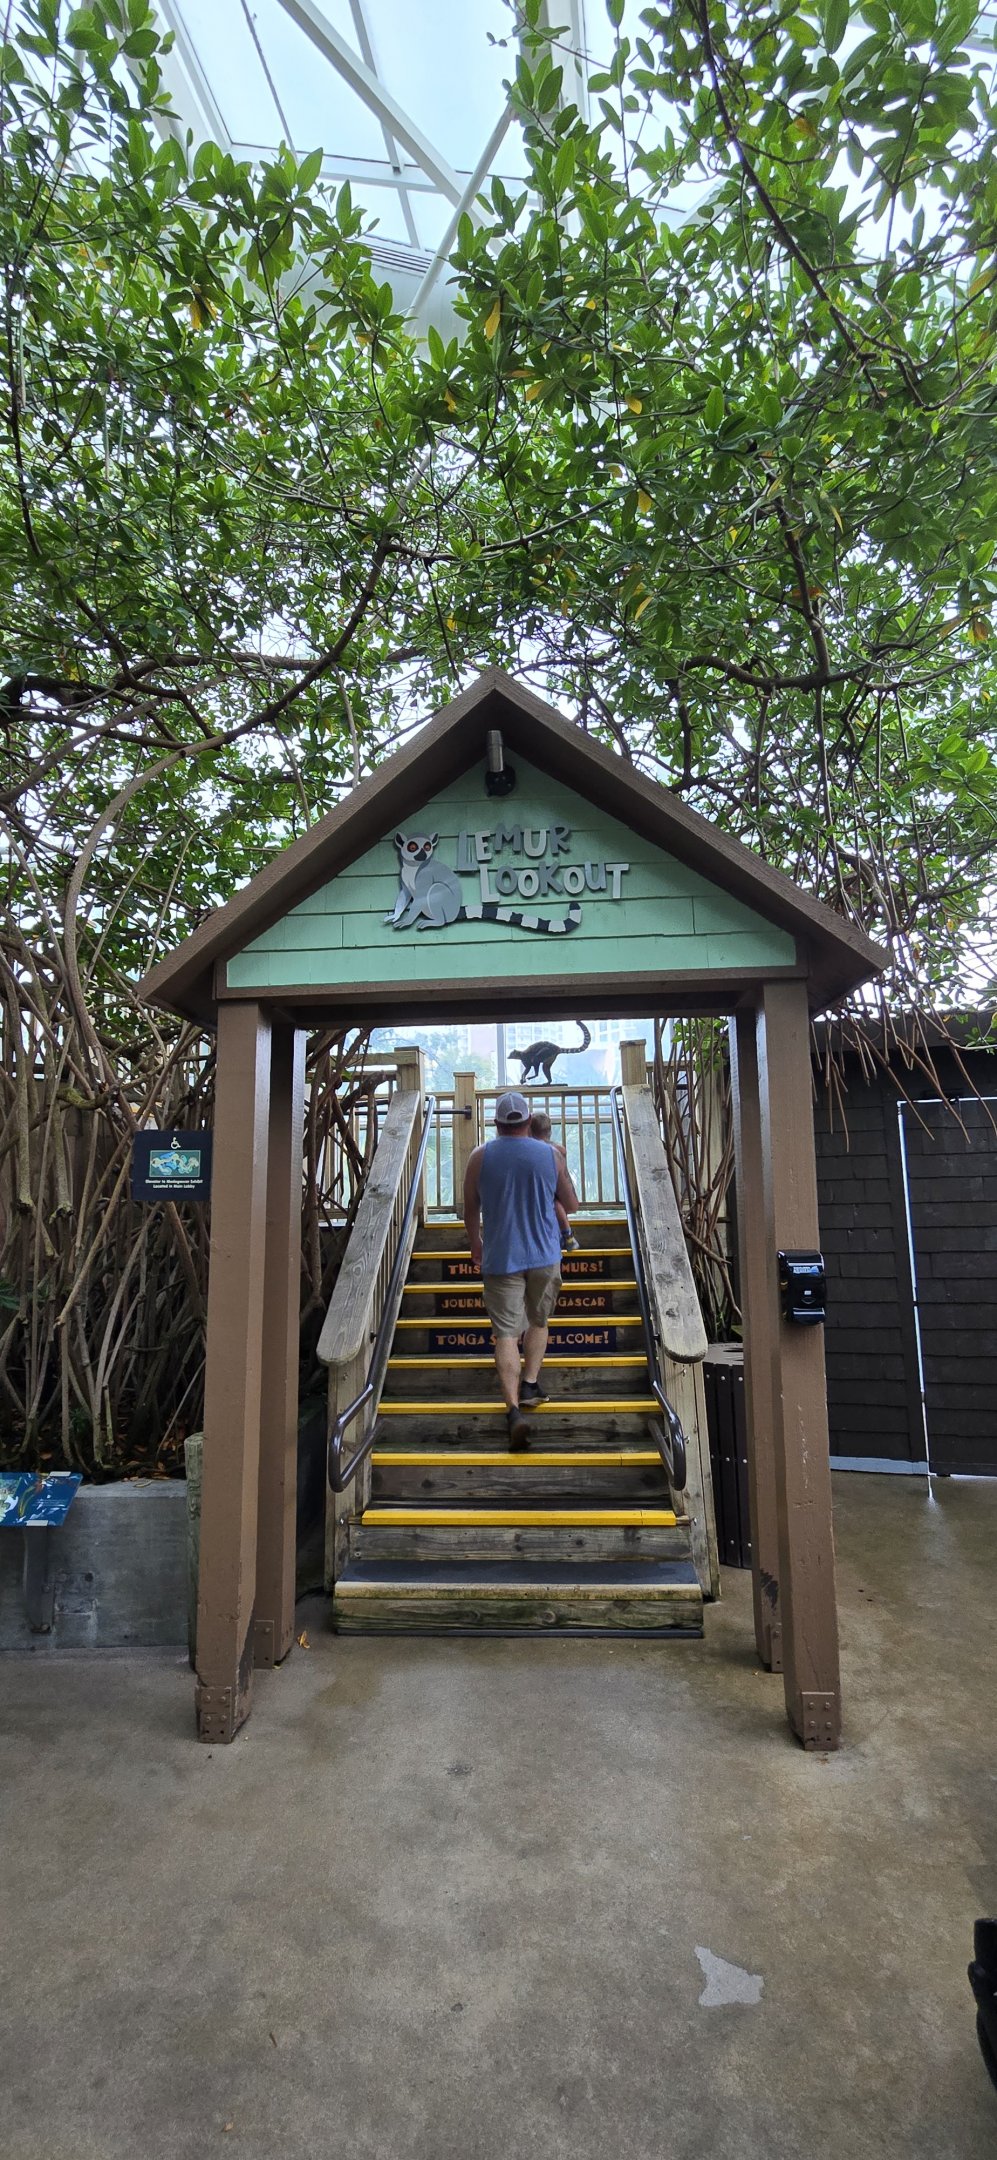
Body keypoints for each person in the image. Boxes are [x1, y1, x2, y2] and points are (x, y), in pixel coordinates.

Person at [463, 1090, 579, 1448]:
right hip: (544, 1255)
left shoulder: (479, 1157)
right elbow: (572, 1204)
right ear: (528, 1121)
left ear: (496, 1123)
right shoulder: (550, 1154)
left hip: (500, 1257)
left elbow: (470, 1208)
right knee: (538, 1321)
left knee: (505, 1333)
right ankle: (530, 1383)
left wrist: (476, 1243)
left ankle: (513, 1409)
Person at [529, 1109, 579, 1252]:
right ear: (550, 1131)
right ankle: (567, 1234)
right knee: (557, 1203)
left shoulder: (528, 1149)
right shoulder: (558, 1149)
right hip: (553, 1187)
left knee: (555, 1202)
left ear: (529, 1130)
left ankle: (566, 1234)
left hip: (538, 1189)